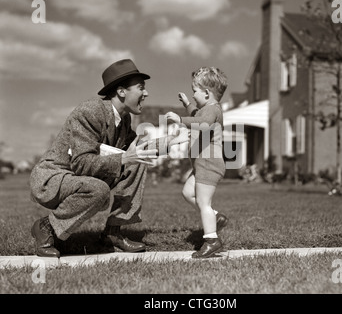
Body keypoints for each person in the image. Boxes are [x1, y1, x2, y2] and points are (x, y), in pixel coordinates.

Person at [29, 59, 161, 258]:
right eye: (141, 88)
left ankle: (113, 233)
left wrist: (171, 142)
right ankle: (46, 227)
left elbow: (138, 151)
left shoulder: (124, 119)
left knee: (139, 163)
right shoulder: (91, 111)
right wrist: (125, 158)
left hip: (79, 177)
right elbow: (81, 162)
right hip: (54, 177)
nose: (146, 93)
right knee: (99, 190)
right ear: (121, 91)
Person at [165, 66, 229, 258]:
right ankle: (216, 217)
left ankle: (212, 240)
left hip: (209, 163)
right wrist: (186, 105)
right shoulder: (207, 109)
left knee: (203, 202)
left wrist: (180, 119)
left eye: (195, 91)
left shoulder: (212, 111)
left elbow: (201, 123)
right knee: (187, 193)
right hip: (202, 164)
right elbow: (197, 115)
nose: (192, 95)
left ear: (207, 93)